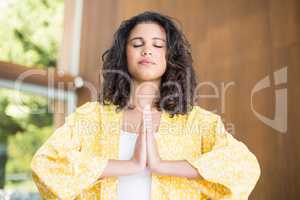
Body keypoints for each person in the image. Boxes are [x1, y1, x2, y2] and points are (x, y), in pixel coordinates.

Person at [31, 11, 261, 200]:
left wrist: (162, 165)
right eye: (137, 44)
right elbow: (46, 164)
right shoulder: (91, 117)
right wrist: (129, 164)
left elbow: (244, 167)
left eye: (158, 45)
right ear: (124, 54)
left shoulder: (199, 122)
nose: (147, 50)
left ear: (170, 56)